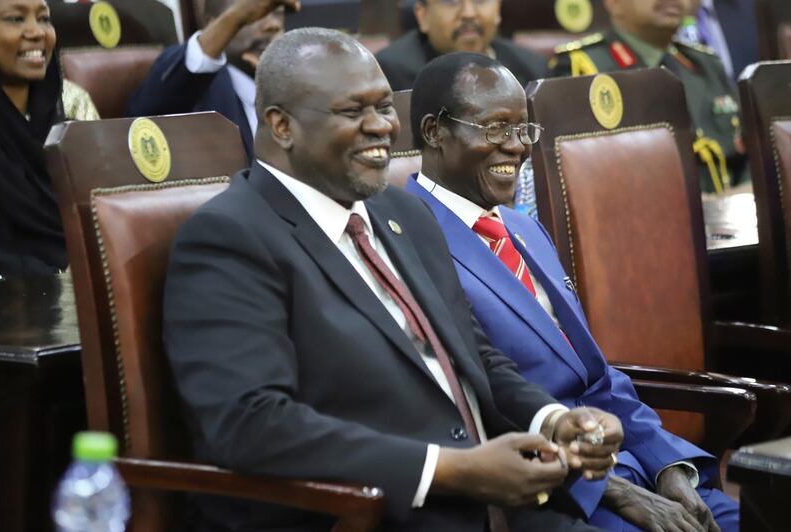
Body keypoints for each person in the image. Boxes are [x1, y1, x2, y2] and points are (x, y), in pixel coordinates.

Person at [163, 27, 625, 532]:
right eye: (352, 111)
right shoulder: (230, 236)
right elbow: (252, 424)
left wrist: (552, 420)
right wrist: (449, 470)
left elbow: (473, 354)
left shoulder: (401, 211)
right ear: (281, 126)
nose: (380, 127)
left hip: (499, 503)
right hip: (372, 513)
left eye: (384, 107)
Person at [405, 51, 739, 532]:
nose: (516, 147)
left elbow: (597, 377)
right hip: (546, 493)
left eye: (523, 130)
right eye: (497, 128)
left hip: (627, 463)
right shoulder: (407, 237)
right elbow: (476, 401)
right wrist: (614, 491)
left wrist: (669, 466)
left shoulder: (521, 228)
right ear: (435, 132)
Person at [550, 0, 748, 195]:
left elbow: (750, 155)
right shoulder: (584, 67)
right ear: (614, 3)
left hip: (732, 215)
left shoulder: (706, 64)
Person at [0, 0, 96, 274]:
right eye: (15, 19)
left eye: (44, 19)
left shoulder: (71, 113)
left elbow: (101, 219)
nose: (37, 32)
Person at [126, 0, 297, 161]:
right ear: (212, 23)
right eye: (255, 14)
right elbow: (154, 106)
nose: (273, 25)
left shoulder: (291, 84)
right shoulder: (195, 86)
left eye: (277, 13)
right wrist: (237, 16)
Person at [375, 0, 546, 91]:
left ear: (498, 8)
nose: (468, 13)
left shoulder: (533, 69)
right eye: (451, 1)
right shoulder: (392, 72)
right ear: (423, 16)